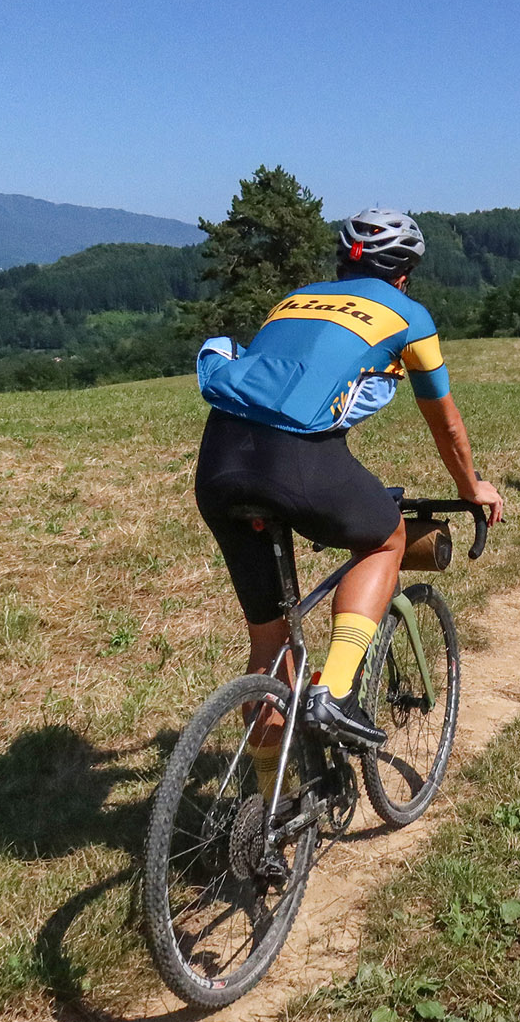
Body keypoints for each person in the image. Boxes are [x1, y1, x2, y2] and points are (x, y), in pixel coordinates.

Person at [194, 209, 504, 760]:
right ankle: (334, 691)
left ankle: (266, 819)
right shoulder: (408, 315)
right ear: (405, 273)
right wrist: (471, 484)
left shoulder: (292, 302)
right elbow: (445, 421)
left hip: (219, 462)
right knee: (385, 537)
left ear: (341, 265)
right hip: (296, 459)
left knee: (269, 648)